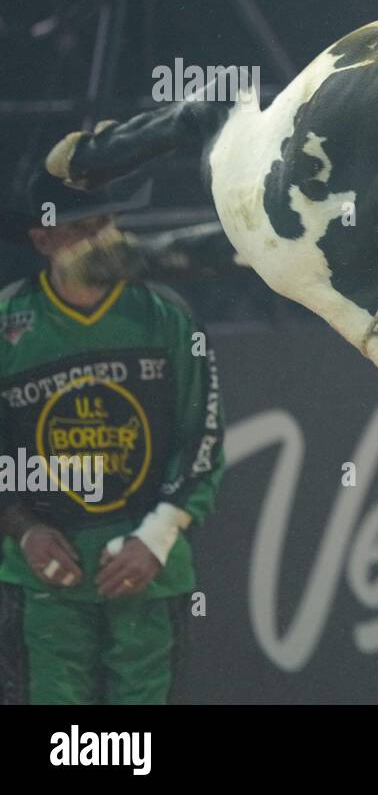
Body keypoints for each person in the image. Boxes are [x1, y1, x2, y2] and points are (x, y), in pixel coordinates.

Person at [0, 171, 225, 704]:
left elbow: (204, 439)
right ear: (43, 237)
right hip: (42, 586)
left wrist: (158, 536)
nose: (103, 238)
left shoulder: (166, 317)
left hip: (148, 574)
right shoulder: (10, 323)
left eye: (109, 221)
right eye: (84, 226)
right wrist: (24, 527)